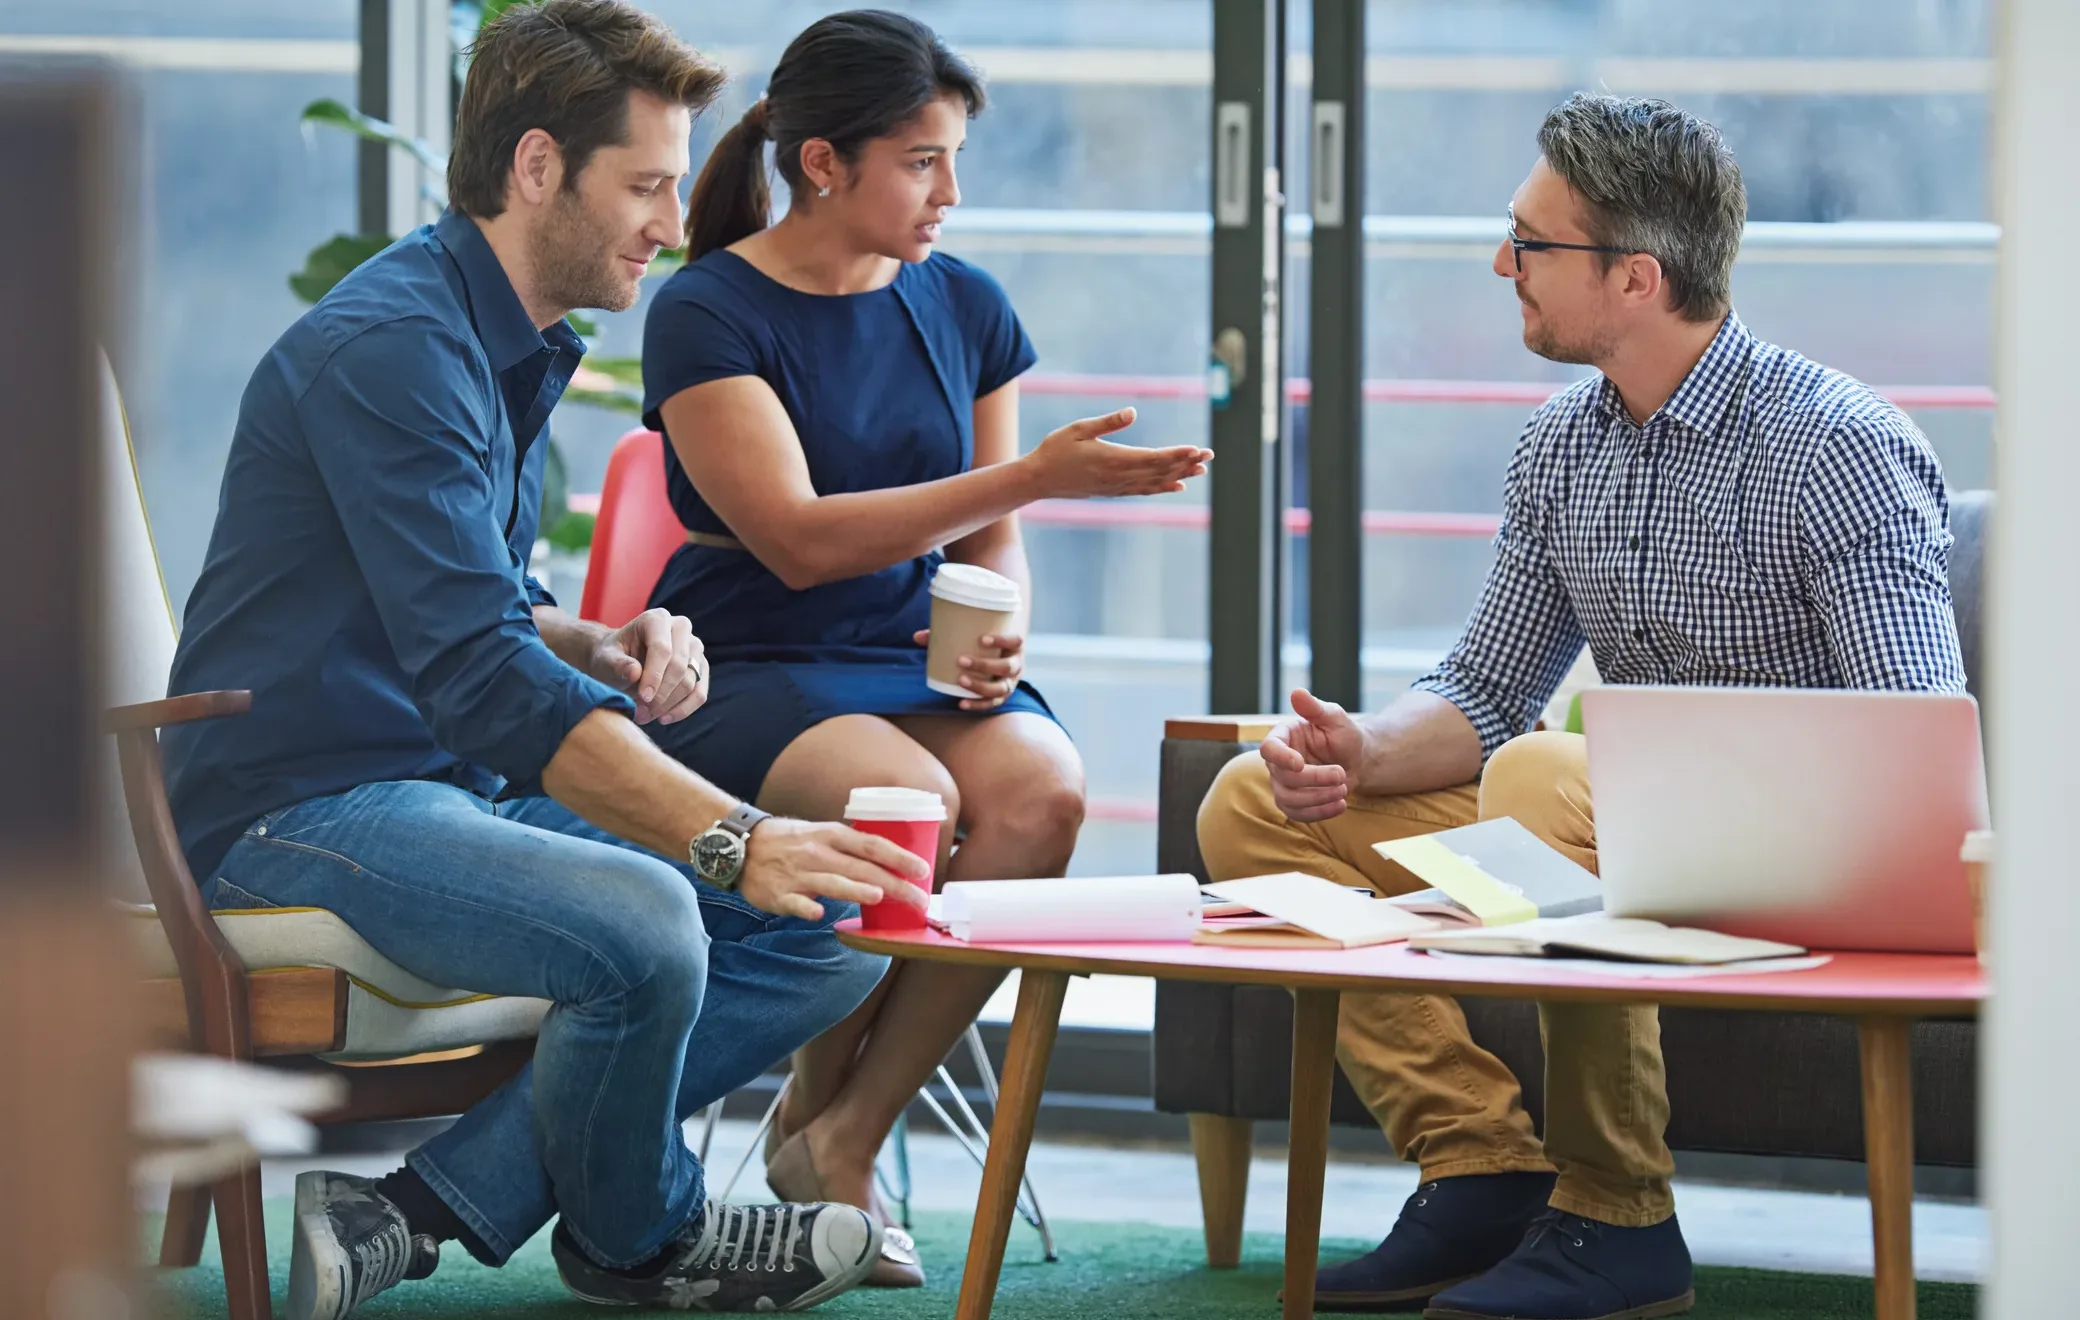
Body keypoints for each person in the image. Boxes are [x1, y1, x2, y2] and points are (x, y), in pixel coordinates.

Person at [162, 4, 931, 1315]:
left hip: (443, 787)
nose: (674, 225)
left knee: (841, 923)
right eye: (646, 186)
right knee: (651, 919)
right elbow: (475, 671)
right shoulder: (393, 351)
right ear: (536, 169)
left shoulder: (492, 338)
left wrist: (601, 640)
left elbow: (492, 613)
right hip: (297, 809)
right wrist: (734, 836)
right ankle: (644, 1240)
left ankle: (412, 1210)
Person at [1197, 93, 1965, 1320]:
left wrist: (1669, 782)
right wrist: (1358, 751)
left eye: (1530, 243)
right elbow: (1488, 689)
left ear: (1636, 279)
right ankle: (1481, 1166)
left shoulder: (1835, 446)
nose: (1502, 264)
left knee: (1543, 777)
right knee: (1251, 801)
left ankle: (1620, 1215)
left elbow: (1911, 737)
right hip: (1622, 833)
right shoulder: (1559, 446)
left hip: (1814, 861)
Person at [637, 10, 1211, 1287]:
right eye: (920, 162)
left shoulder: (966, 304)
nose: (949, 192)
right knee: (911, 805)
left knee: (1044, 794)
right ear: (824, 163)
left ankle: (840, 1129)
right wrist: (1031, 475)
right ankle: (821, 1134)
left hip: (909, 646)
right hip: (751, 654)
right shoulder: (706, 309)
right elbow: (794, 540)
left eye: (955, 160)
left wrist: (1002, 626)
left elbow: (993, 538)